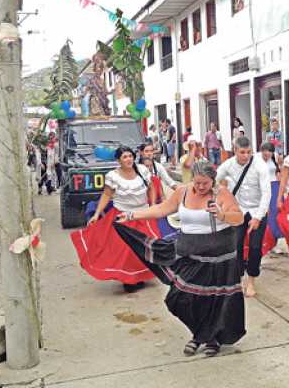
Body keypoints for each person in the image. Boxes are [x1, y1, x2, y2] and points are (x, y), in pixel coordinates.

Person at [114, 161, 245, 357]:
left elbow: (239, 218)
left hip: (219, 258)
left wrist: (222, 214)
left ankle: (205, 338)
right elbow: (161, 209)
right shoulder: (183, 192)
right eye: (197, 182)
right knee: (178, 299)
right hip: (189, 253)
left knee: (213, 302)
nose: (200, 187)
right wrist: (132, 215)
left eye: (205, 184)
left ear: (213, 181)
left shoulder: (221, 194)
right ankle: (204, 335)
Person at [70, 146, 157, 293]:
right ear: (118, 160)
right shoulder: (113, 176)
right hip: (123, 217)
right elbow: (106, 195)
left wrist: (153, 206)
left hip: (143, 215)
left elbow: (152, 188)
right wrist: (97, 214)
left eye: (130, 156)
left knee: (144, 247)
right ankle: (128, 280)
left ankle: (140, 276)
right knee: (126, 249)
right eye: (124, 157)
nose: (128, 159)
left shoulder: (142, 170)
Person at [217, 136, 271, 298]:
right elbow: (214, 178)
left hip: (257, 210)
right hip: (238, 209)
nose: (246, 156)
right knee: (236, 245)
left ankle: (251, 280)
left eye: (248, 152)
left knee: (255, 247)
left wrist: (258, 217)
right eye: (242, 152)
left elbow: (267, 193)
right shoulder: (228, 165)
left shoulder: (260, 165)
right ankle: (238, 278)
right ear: (235, 151)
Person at [258, 142, 284, 250]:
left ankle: (274, 242)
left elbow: (279, 172)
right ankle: (267, 243)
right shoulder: (257, 161)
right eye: (265, 150)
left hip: (275, 187)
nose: (267, 153)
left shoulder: (274, 159)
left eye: (270, 151)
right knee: (267, 216)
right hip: (264, 188)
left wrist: (280, 165)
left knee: (276, 216)